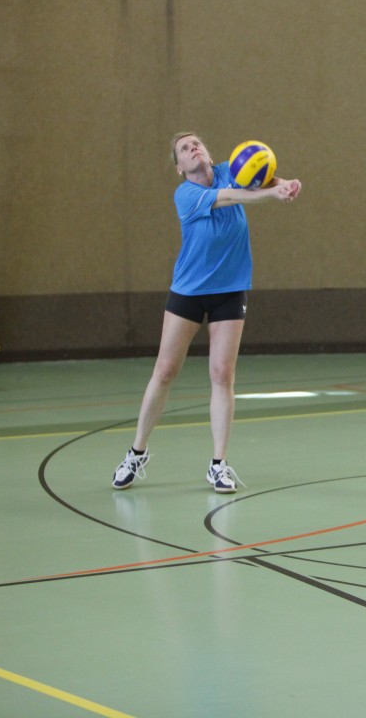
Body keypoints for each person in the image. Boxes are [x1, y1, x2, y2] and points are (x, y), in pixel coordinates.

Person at [111, 132, 302, 494]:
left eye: (196, 143)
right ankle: (136, 452)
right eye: (184, 149)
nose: (193, 148)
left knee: (222, 374)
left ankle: (218, 464)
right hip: (189, 291)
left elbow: (260, 175)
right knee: (165, 371)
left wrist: (285, 183)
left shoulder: (229, 170)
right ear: (179, 168)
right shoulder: (185, 195)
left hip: (229, 290)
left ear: (208, 153)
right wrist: (271, 194)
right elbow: (231, 197)